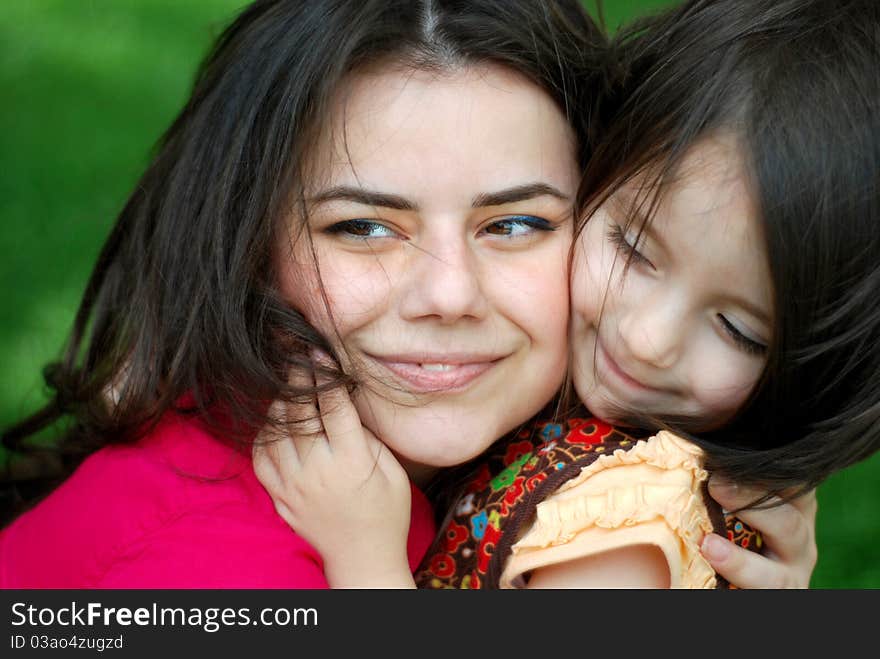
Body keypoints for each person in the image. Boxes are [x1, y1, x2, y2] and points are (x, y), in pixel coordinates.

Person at [0, 0, 814, 589]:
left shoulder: (534, 474)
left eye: (516, 223)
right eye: (361, 228)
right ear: (245, 242)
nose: (448, 294)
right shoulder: (217, 579)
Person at [256, 0, 879, 589]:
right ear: (598, 164)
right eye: (634, 251)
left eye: (737, 330)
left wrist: (364, 556)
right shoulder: (564, 423)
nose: (646, 340)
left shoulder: (622, 536)